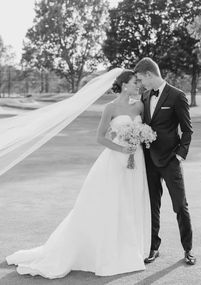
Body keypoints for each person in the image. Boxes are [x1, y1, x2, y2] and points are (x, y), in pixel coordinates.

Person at [6, 70, 151, 278]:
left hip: (136, 161)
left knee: (130, 202)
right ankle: (107, 252)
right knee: (112, 203)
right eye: (135, 82)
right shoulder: (109, 108)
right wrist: (122, 149)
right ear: (125, 85)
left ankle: (129, 249)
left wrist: (138, 139)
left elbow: (143, 128)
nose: (138, 85)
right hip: (115, 160)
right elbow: (100, 138)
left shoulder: (139, 106)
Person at [134, 57, 196, 265]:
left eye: (142, 79)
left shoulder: (177, 96)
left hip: (171, 160)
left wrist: (179, 155)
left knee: (180, 205)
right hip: (149, 161)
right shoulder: (143, 97)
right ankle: (153, 248)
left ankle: (188, 250)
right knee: (153, 206)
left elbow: (187, 130)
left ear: (150, 75)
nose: (142, 84)